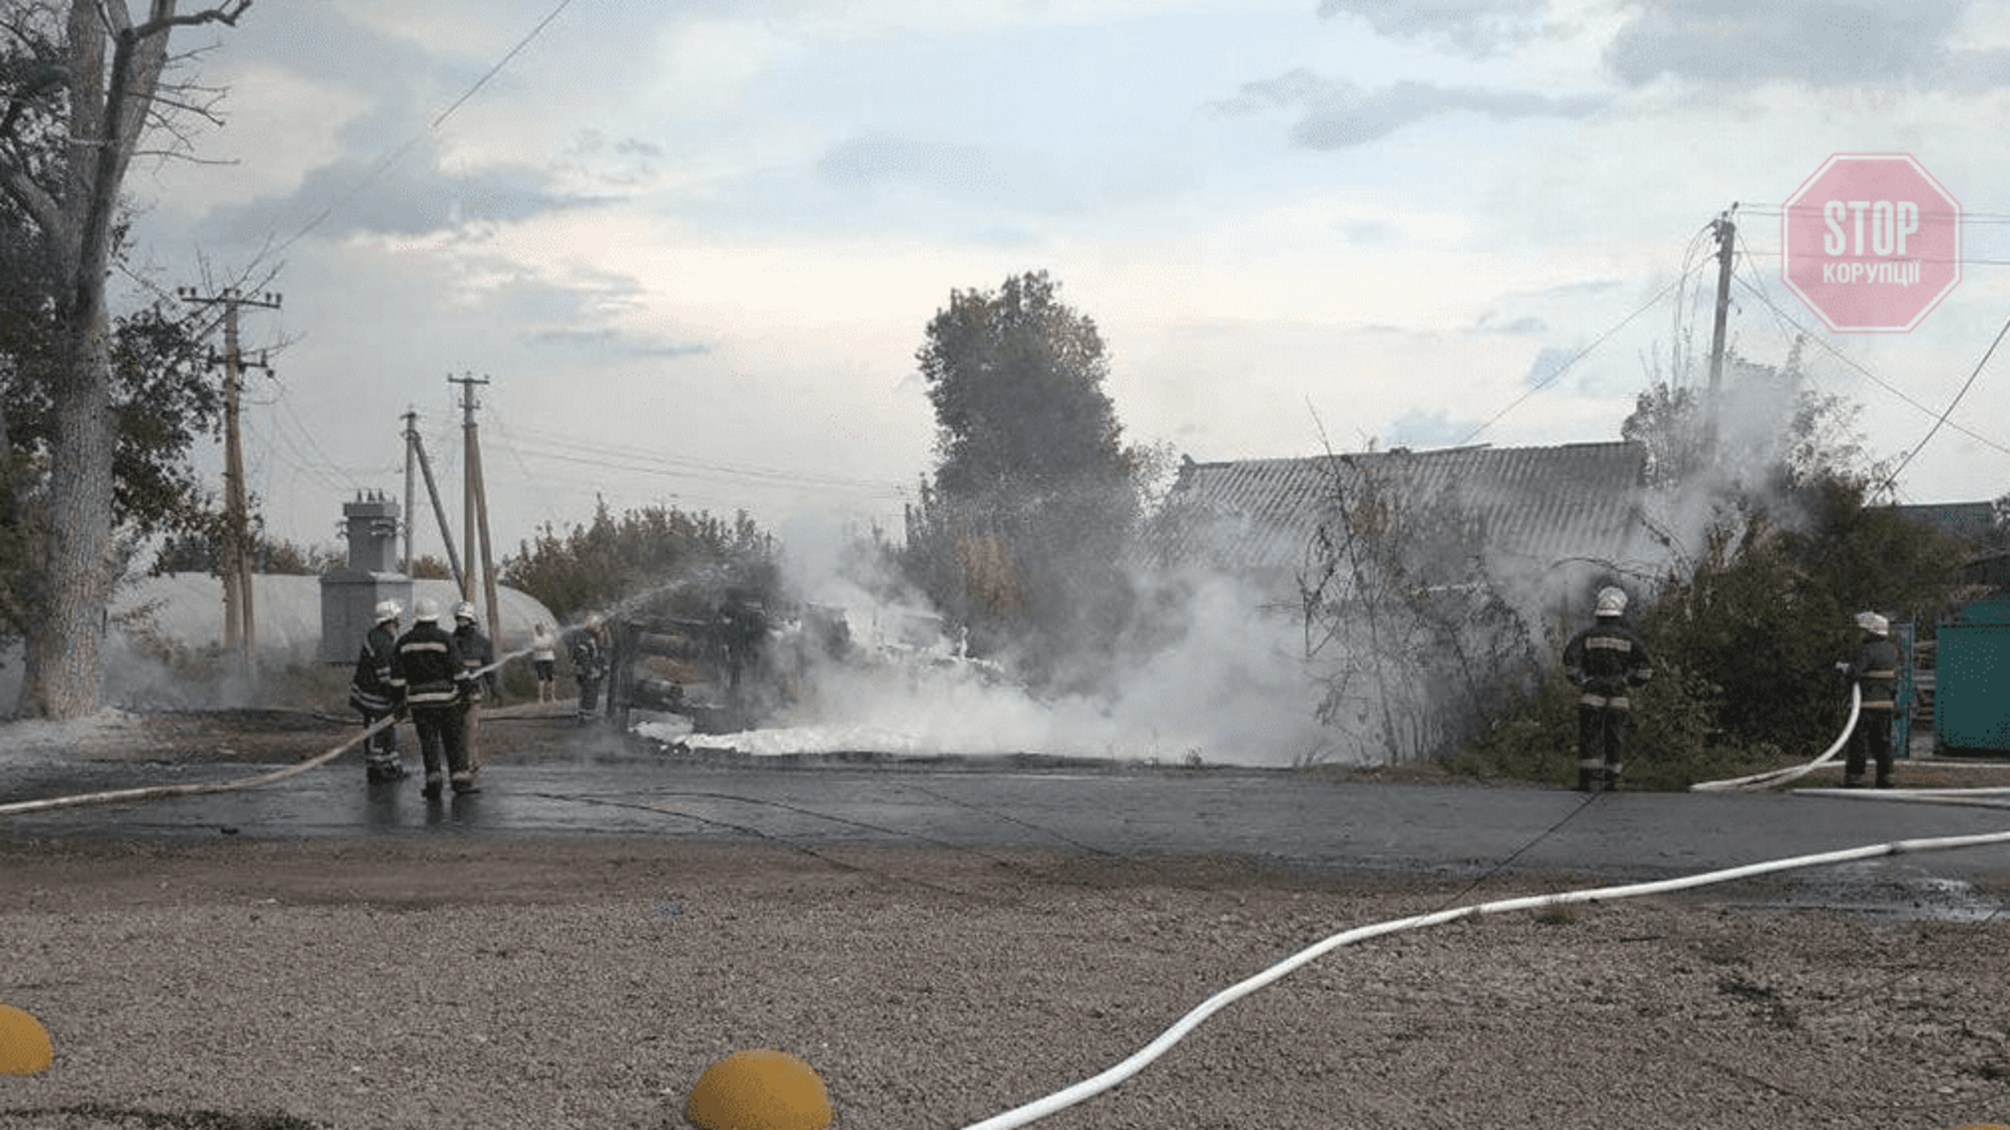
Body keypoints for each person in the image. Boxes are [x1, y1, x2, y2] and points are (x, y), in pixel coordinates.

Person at [1562, 586, 1654, 792]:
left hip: (1591, 692)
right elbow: (1645, 669)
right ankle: (1612, 780)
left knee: (1589, 736)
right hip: (1618, 695)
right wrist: (1629, 682)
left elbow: (1570, 662)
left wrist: (1581, 681)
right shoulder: (1630, 639)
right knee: (1615, 736)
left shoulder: (1585, 636)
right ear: (1619, 614)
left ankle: (1586, 781)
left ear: (1598, 614)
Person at [389, 598, 477, 799]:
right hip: (447, 700)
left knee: (429, 742)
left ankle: (433, 781)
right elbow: (459, 672)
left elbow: (397, 679)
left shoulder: (404, 642)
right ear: (436, 617)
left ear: (417, 617)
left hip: (420, 702)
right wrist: (467, 693)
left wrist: (399, 704)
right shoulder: (446, 639)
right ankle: (460, 780)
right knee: (453, 739)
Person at [1838, 610, 1901, 789]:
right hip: (1885, 704)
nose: (1861, 633)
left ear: (1871, 632)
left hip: (1865, 704)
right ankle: (1886, 777)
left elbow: (1854, 674)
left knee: (1858, 740)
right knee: (1882, 741)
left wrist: (1844, 669)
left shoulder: (1865, 650)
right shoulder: (1891, 650)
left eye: (1863, 630)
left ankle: (1855, 777)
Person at [348, 599, 406, 783]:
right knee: (375, 729)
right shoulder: (382, 641)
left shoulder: (381, 636)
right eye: (398, 615)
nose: (401, 619)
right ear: (392, 619)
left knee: (388, 728)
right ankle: (376, 768)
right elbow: (386, 676)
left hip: (377, 693)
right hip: (373, 695)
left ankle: (391, 765)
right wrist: (399, 699)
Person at [452, 601, 500, 778]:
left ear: (471, 621)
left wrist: (494, 689)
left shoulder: (483, 643)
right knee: (458, 730)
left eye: (464, 621)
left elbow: (489, 668)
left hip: (474, 693)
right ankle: (465, 763)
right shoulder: (451, 641)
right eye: (459, 620)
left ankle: (472, 762)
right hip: (455, 694)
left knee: (471, 729)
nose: (460, 624)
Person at [569, 612, 609, 725]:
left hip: (591, 670)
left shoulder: (594, 638)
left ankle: (586, 715)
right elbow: (582, 655)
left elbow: (599, 654)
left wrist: (602, 667)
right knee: (589, 692)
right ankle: (586, 717)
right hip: (585, 670)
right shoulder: (584, 637)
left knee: (592, 692)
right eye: (600, 626)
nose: (601, 629)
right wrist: (590, 669)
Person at [529, 621, 559, 703]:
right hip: (539, 659)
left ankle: (552, 697)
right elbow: (536, 648)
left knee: (551, 678)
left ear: (544, 629)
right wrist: (546, 646)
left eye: (542, 628)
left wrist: (547, 646)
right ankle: (541, 698)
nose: (541, 630)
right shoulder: (534, 638)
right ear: (536, 630)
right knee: (541, 678)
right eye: (539, 629)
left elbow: (553, 646)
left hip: (549, 658)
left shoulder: (549, 636)